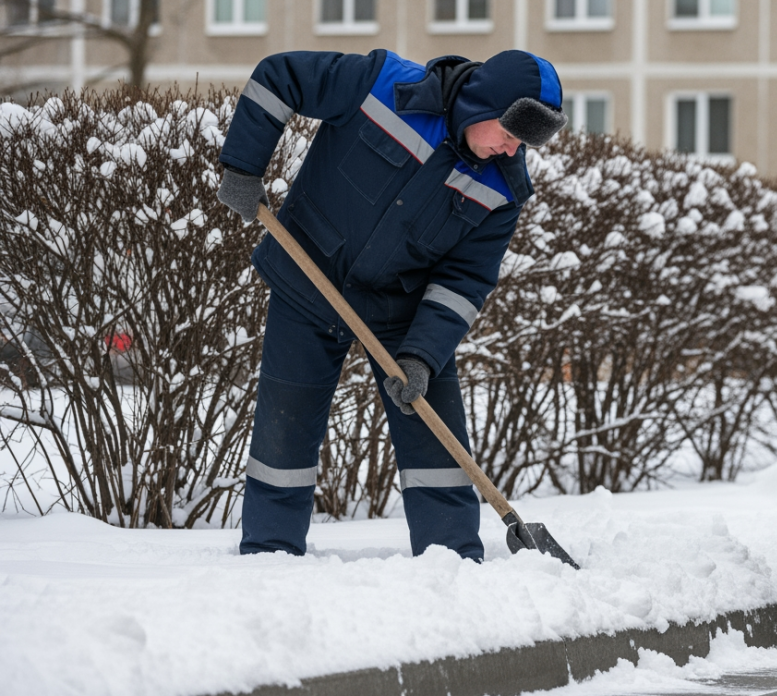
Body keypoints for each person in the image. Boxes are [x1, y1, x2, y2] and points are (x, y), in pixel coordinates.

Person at [216, 48, 567, 562]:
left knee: (438, 444)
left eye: (522, 143)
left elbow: (464, 281)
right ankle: (269, 558)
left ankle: (452, 563)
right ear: (482, 102)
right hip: (308, 274)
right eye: (509, 133)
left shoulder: (503, 190)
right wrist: (243, 166)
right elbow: (280, 75)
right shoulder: (382, 85)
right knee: (283, 433)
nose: (511, 150)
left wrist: (423, 356)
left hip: (404, 310)